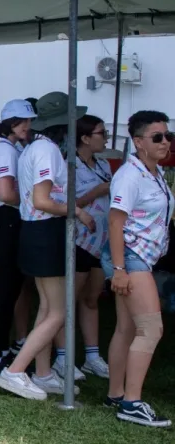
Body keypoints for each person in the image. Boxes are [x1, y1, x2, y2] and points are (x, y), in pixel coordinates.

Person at [0, 91, 93, 401]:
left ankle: (42, 372)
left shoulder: (36, 148)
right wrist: (77, 210)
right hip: (45, 232)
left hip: (37, 232)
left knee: (49, 309)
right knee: (58, 311)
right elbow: (42, 201)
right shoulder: (47, 151)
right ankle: (15, 371)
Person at [103, 111, 174, 428]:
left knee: (127, 328)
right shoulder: (129, 176)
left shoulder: (153, 171)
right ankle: (131, 403)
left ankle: (116, 394)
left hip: (138, 256)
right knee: (151, 329)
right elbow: (115, 221)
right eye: (157, 137)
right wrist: (119, 269)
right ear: (138, 142)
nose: (165, 142)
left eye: (168, 136)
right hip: (131, 258)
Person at [0, 99, 36, 377]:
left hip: (8, 221)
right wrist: (33, 202)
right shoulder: (5, 151)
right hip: (6, 219)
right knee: (4, 292)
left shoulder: (10, 148)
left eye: (28, 121)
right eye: (22, 121)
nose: (28, 126)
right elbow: (5, 194)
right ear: (9, 124)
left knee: (9, 290)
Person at [57, 114, 112, 380]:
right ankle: (62, 358)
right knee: (67, 300)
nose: (106, 138)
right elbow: (65, 203)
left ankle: (92, 356)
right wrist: (98, 192)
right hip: (78, 240)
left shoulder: (104, 166)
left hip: (101, 242)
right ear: (85, 138)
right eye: (102, 133)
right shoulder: (70, 167)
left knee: (91, 299)